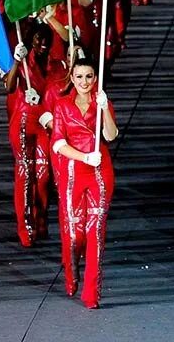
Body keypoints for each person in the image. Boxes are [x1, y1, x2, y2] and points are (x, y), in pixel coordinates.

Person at [49, 57, 118, 308]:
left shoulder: (102, 102)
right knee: (75, 234)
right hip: (73, 173)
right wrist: (85, 157)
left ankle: (92, 293)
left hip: (100, 174)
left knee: (95, 233)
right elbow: (58, 143)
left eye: (89, 76)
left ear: (95, 78)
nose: (84, 82)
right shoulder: (62, 106)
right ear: (72, 78)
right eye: (79, 77)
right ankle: (72, 270)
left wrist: (104, 109)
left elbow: (111, 135)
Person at [3, 24, 55, 247]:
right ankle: (25, 227)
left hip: (45, 122)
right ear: (31, 40)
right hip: (23, 122)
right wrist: (16, 62)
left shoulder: (55, 64)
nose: (42, 44)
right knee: (25, 175)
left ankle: (41, 218)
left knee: (43, 175)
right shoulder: (24, 61)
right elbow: (8, 85)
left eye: (46, 40)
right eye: (38, 39)